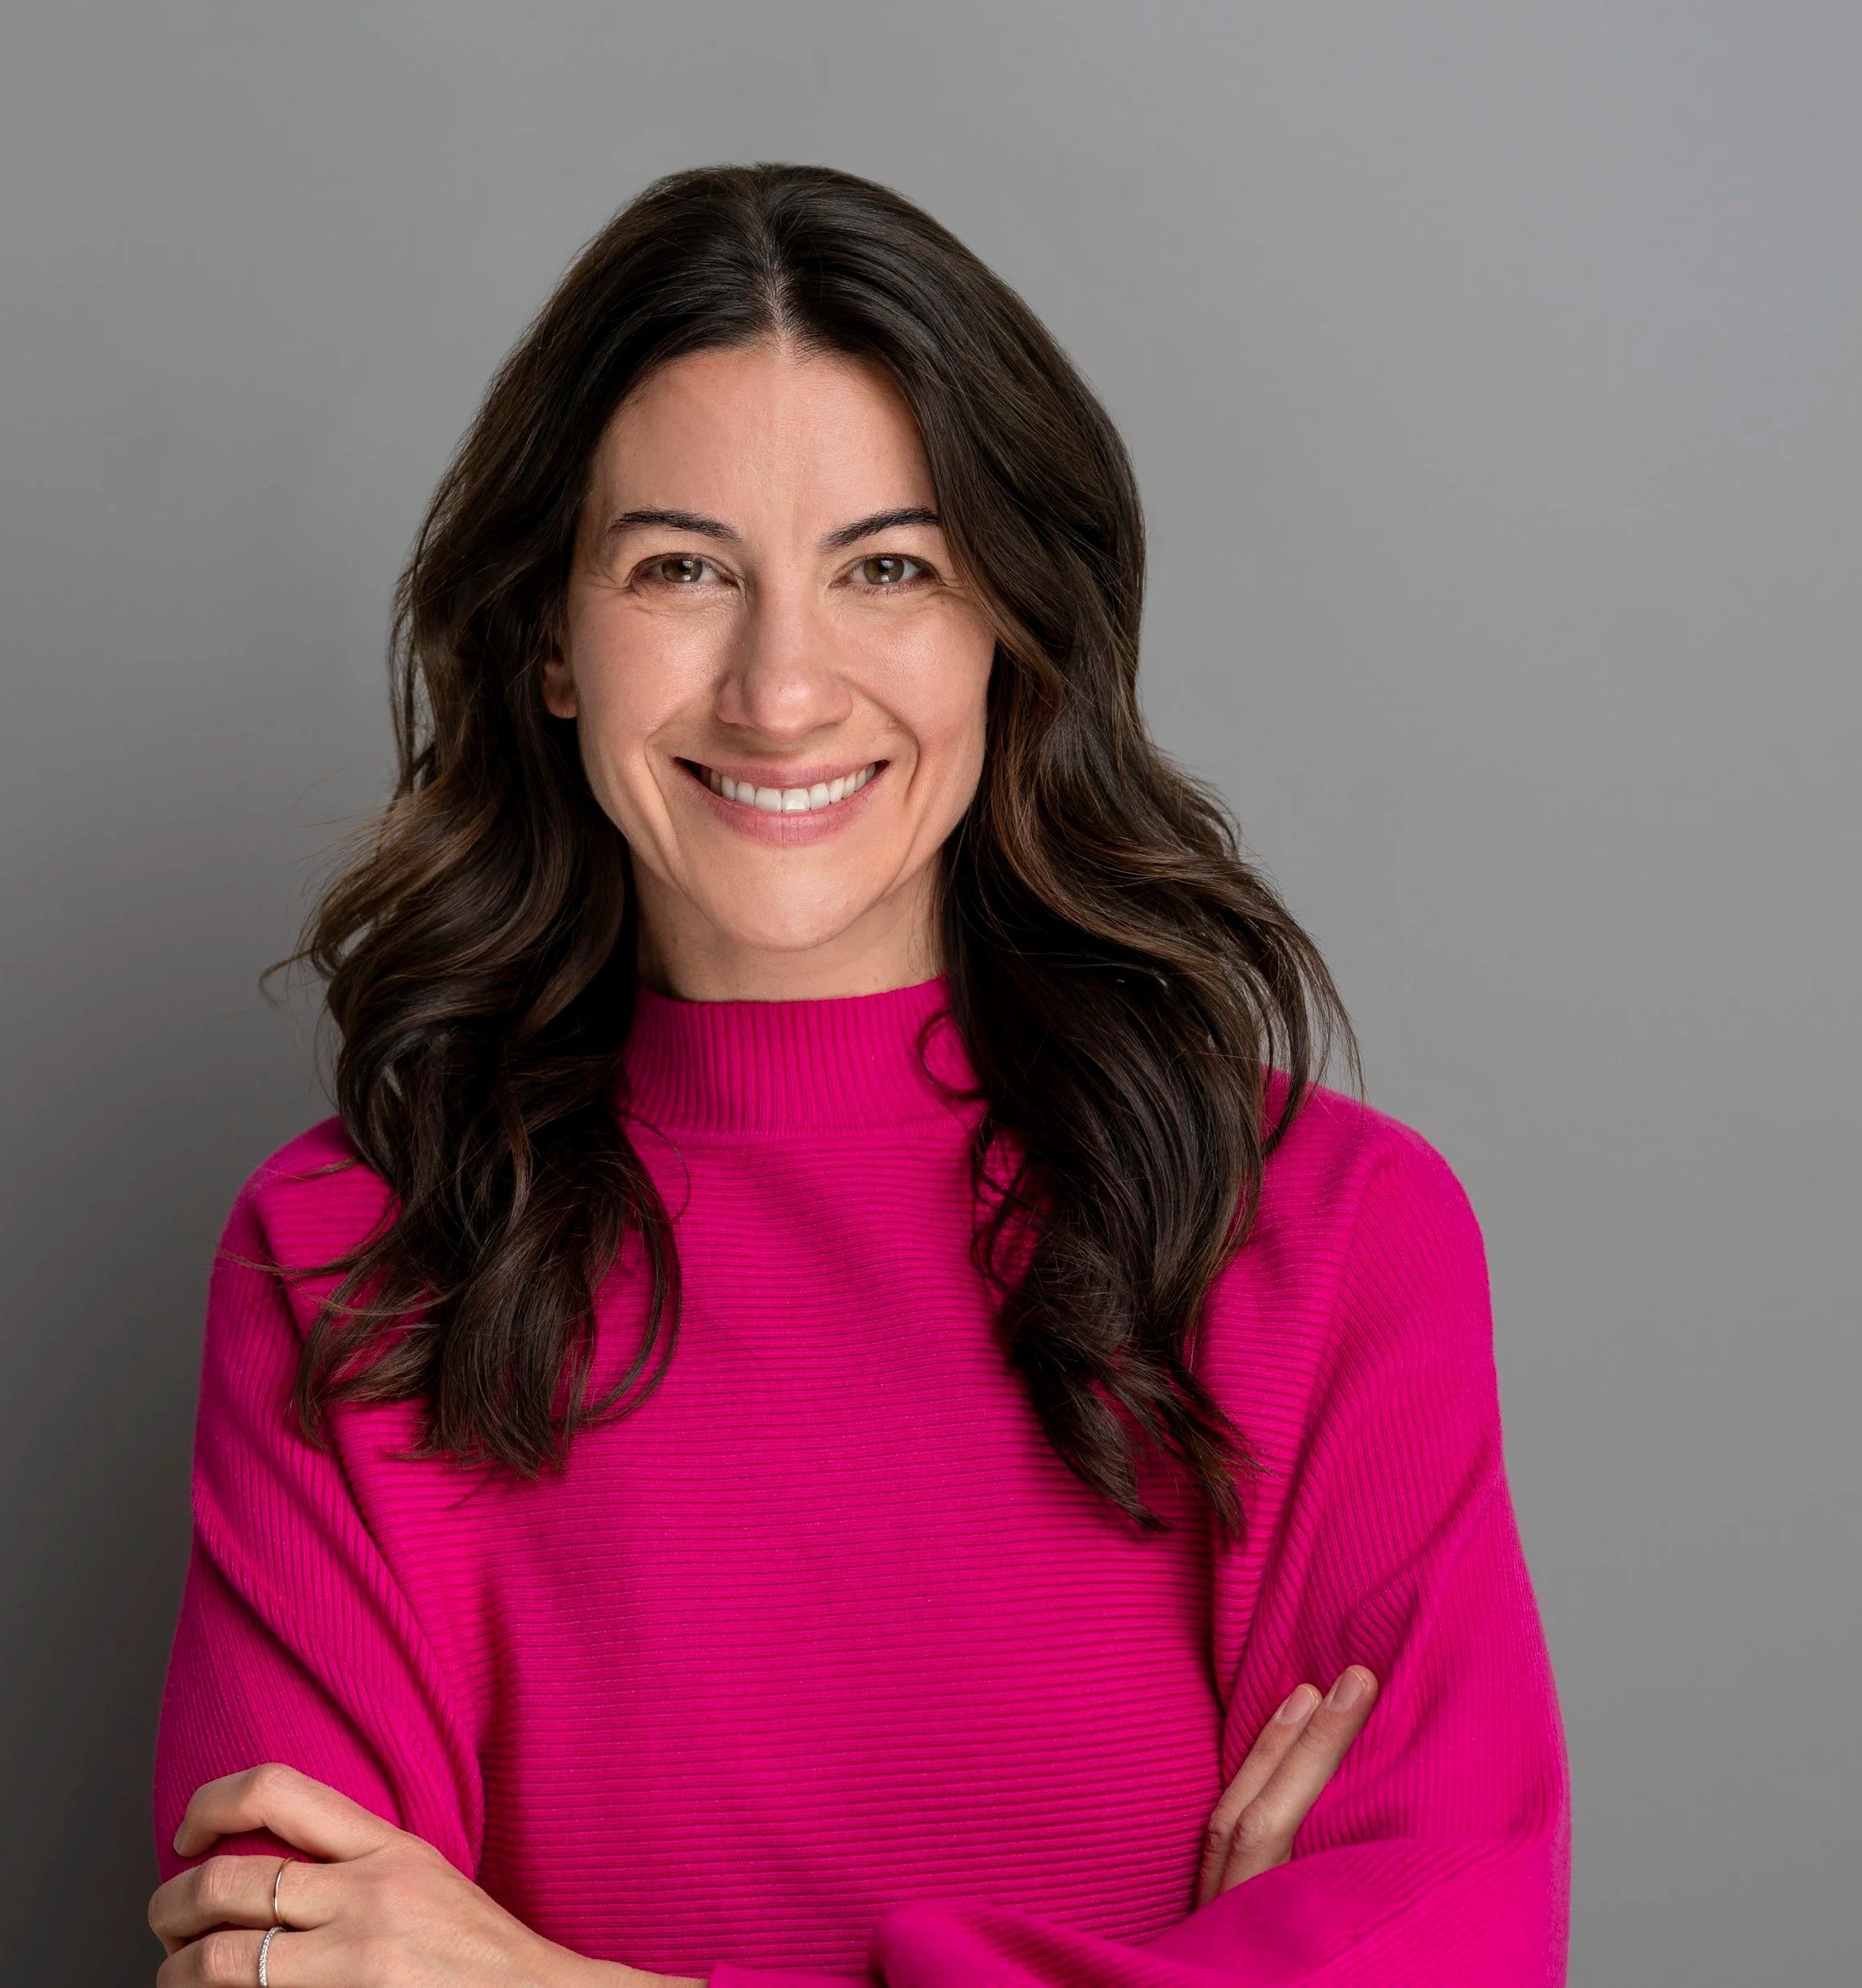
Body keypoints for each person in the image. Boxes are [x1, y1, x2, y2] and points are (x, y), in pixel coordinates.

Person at [146, 162, 1571, 1988]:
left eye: (887, 567)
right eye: (679, 568)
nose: (780, 688)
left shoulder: (1325, 1238)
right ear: (546, 644)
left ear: (1010, 633)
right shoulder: (341, 1260)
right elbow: (287, 1968)